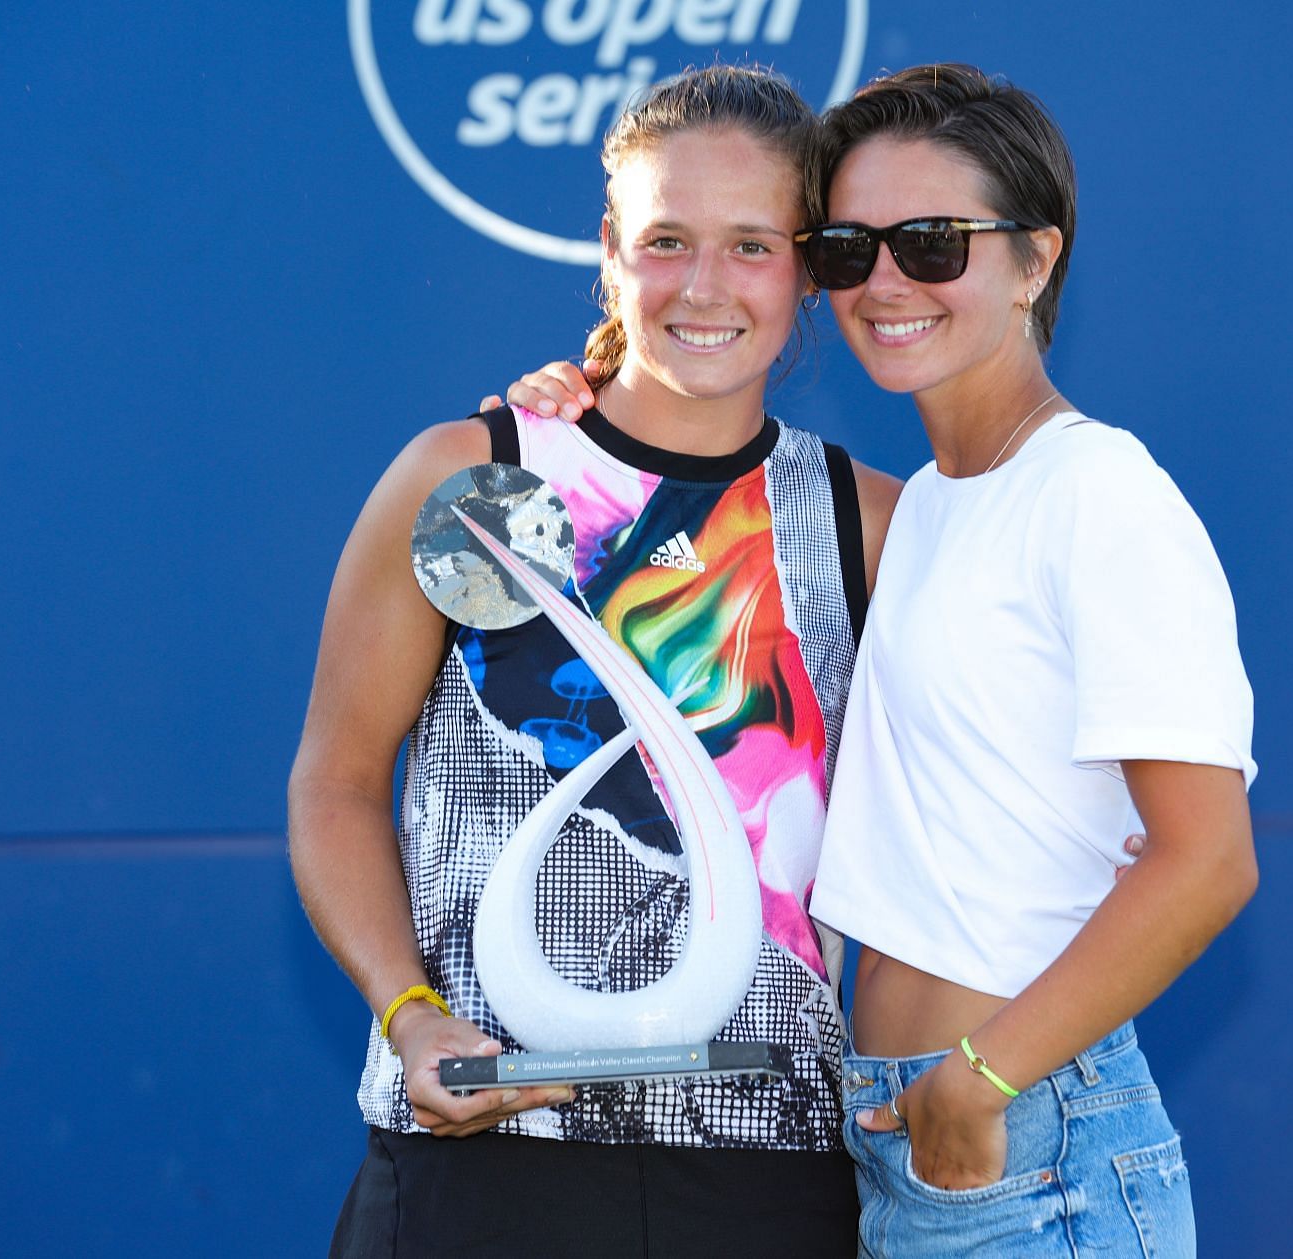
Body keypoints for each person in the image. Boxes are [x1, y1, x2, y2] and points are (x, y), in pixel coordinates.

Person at [509, 64, 1257, 1257]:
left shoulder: (1098, 492)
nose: (888, 282)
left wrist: (978, 1079)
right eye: (852, 248)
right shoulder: (916, 511)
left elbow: (1208, 860)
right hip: (910, 1134)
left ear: (1037, 258)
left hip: (1025, 1138)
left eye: (935, 242)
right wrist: (589, 393)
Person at [287, 65, 902, 1258]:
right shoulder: (466, 482)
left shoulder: (864, 520)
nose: (706, 286)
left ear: (807, 270)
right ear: (610, 248)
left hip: (768, 1173)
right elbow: (337, 780)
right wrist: (411, 1016)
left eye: (751, 245)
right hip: (481, 1159)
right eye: (667, 240)